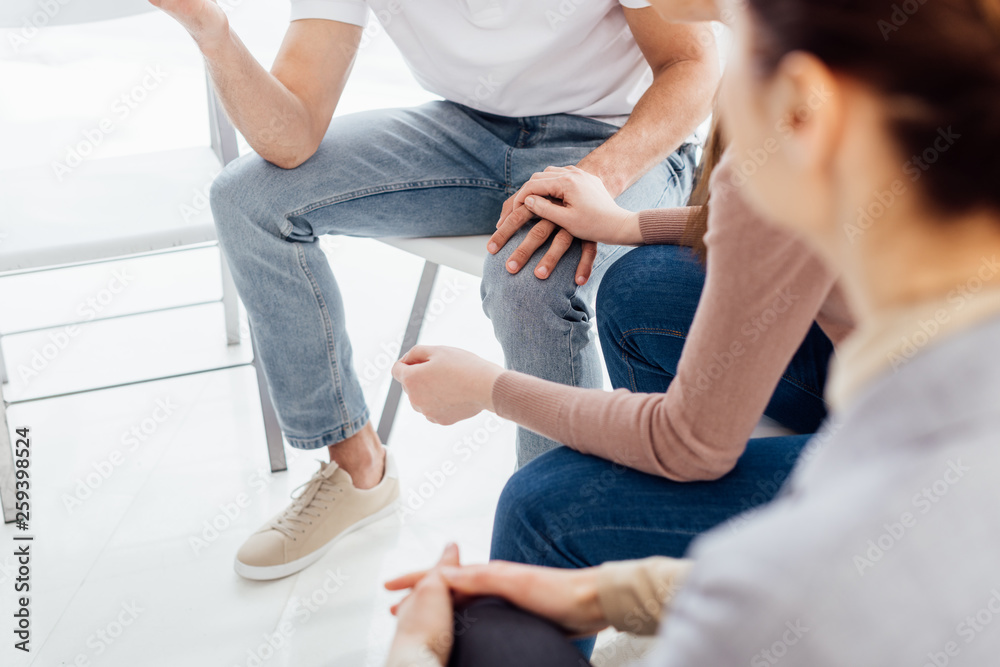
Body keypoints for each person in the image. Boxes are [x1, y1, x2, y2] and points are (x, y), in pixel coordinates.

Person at [385, 0, 1000, 664]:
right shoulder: (917, 96)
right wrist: (629, 224)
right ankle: (684, 520)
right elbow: (763, 225)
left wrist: (486, 387)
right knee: (641, 287)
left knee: (540, 508)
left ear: (803, 105)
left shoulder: (784, 600)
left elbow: (687, 444)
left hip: (827, 527)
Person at [147, 0, 719, 580]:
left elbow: (691, 63)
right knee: (249, 200)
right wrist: (212, 31)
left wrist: (597, 177)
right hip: (466, 129)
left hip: (620, 138)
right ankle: (357, 470)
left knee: (531, 279)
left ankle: (560, 560)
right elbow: (291, 137)